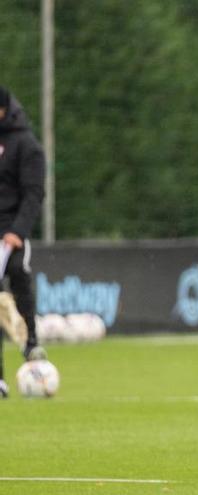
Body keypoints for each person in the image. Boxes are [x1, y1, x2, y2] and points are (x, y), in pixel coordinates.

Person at [0, 85, 48, 399]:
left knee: (18, 275)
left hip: (11, 234)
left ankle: (31, 340)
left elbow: (33, 194)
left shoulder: (25, 144)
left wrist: (17, 231)